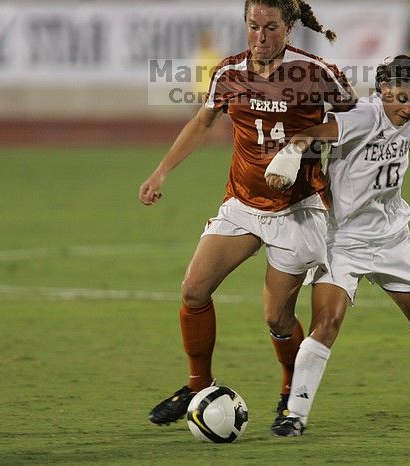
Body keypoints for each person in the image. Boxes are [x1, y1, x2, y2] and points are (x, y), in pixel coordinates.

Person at [138, 0, 356, 429]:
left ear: (289, 28)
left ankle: (291, 391)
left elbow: (355, 122)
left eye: (270, 27)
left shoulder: (317, 73)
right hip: (242, 204)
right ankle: (197, 384)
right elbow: (202, 122)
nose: (260, 36)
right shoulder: (229, 72)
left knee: (277, 318)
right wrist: (160, 172)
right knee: (193, 290)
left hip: (298, 209)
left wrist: (308, 150)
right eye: (253, 26)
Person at [264, 55, 410, 436]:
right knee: (327, 322)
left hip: (392, 240)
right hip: (341, 242)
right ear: (383, 90)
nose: (409, 106)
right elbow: (317, 133)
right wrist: (293, 150)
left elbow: (398, 150)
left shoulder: (409, 125)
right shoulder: (364, 117)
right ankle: (294, 415)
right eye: (401, 97)